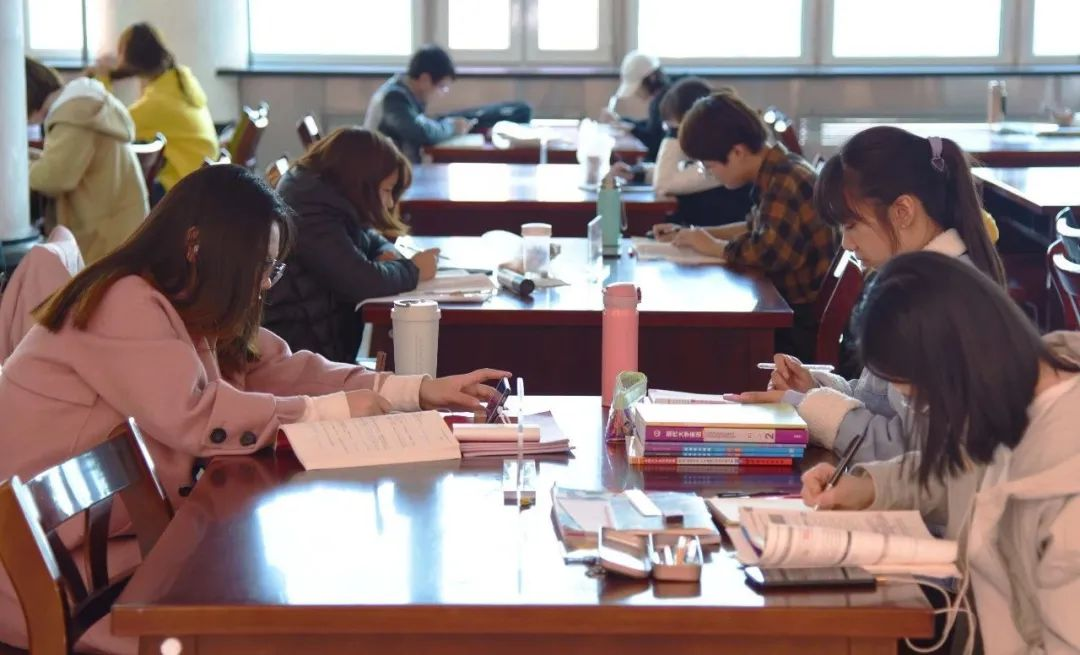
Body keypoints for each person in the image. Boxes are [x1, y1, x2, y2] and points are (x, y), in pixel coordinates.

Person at [0, 164, 507, 653]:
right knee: (293, 613)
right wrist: (326, 412)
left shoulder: (183, 301)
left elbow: (281, 368)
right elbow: (197, 416)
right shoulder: (124, 300)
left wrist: (414, 390)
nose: (266, 284)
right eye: (261, 267)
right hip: (47, 575)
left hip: (112, 548)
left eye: (272, 268)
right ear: (196, 246)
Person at [801, 251, 1080, 654]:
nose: (927, 413)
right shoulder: (1022, 389)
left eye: (922, 396)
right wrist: (868, 488)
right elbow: (966, 473)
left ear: (958, 365)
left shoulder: (1065, 482)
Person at [729, 126, 1006, 463]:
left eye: (852, 226)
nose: (847, 243)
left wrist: (810, 409)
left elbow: (911, 451)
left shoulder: (939, 302)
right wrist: (815, 391)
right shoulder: (917, 283)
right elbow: (883, 404)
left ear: (902, 211)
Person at [656, 90, 837, 360]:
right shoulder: (776, 170)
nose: (710, 175)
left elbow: (769, 253)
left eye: (709, 167)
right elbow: (754, 228)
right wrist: (694, 235)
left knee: (702, 346)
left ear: (737, 152)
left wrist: (714, 246)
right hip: (785, 308)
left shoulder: (786, 181)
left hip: (795, 329)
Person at [265, 127, 439, 362]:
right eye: (386, 190)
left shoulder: (325, 193)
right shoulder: (309, 209)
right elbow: (363, 282)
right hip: (302, 352)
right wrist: (413, 270)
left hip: (318, 342)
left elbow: (367, 235)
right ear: (361, 181)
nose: (389, 203)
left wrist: (385, 251)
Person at [25, 57, 148, 263]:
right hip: (122, 228)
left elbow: (53, 179)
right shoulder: (85, 103)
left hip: (104, 243)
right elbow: (63, 163)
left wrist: (15, 168)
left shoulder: (74, 115)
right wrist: (29, 157)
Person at [91, 22, 218, 197]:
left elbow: (110, 125)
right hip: (202, 181)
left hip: (184, 189)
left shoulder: (157, 102)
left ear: (130, 60)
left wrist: (103, 78)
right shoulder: (180, 80)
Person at [613, 77, 751, 227]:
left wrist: (673, 134)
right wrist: (638, 173)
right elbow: (684, 172)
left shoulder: (722, 159)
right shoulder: (713, 150)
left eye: (674, 128)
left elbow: (664, 184)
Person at [363, 44, 475, 162]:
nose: (442, 94)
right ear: (424, 79)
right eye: (442, 86)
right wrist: (452, 127)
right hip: (380, 169)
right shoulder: (394, 97)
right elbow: (420, 132)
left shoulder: (406, 94)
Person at [601, 50, 670, 162]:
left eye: (638, 87)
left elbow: (655, 141)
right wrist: (622, 121)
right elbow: (652, 127)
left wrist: (633, 129)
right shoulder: (665, 96)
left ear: (651, 78)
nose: (636, 93)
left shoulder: (664, 103)